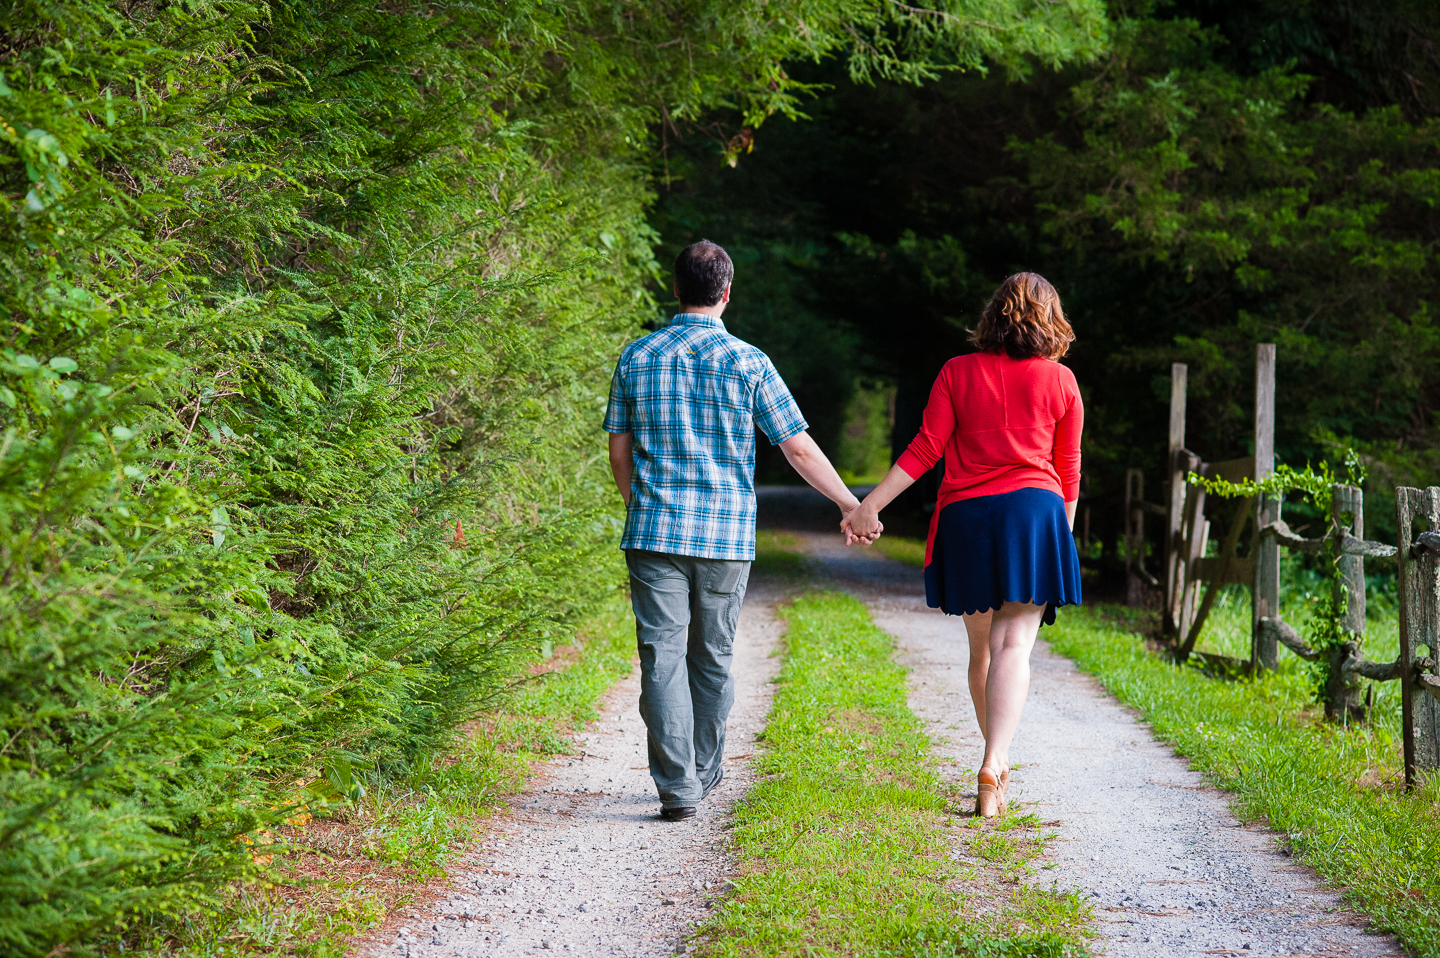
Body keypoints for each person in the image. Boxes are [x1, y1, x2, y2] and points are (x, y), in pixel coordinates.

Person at [604, 240, 867, 821]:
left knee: (661, 656)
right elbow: (796, 446)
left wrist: (640, 506)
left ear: (675, 290)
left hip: (653, 532)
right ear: (726, 293)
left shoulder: (637, 356)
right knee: (713, 655)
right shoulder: (749, 362)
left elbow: (619, 454)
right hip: (724, 537)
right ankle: (702, 770)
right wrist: (852, 503)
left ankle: (678, 787)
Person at [843, 272, 1083, 818]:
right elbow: (1067, 472)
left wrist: (869, 505)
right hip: (1033, 515)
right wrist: (1058, 542)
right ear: (1052, 319)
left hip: (967, 518)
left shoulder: (957, 371)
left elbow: (926, 448)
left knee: (982, 651)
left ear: (992, 314)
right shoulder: (1062, 382)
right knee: (1014, 647)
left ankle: (994, 763)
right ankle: (994, 762)